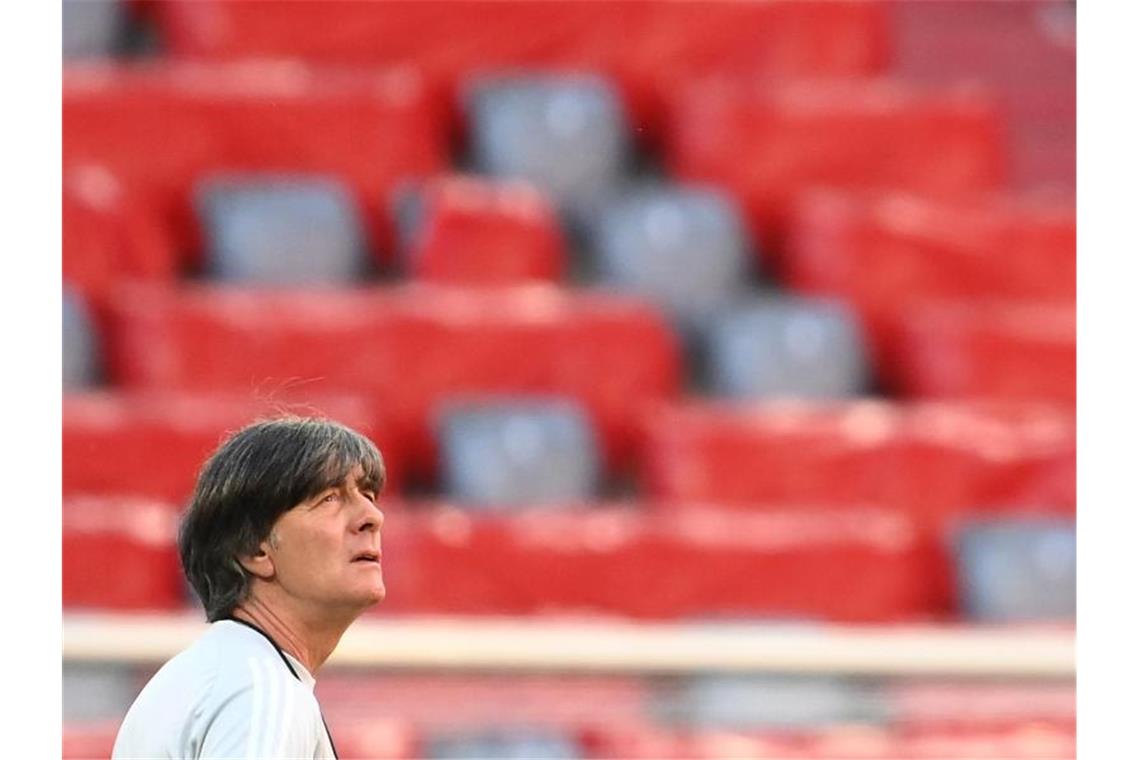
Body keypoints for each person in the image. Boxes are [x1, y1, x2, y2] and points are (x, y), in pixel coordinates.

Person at [112, 416, 387, 759]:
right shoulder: (261, 690)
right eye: (329, 498)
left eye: (368, 494)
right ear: (254, 549)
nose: (373, 516)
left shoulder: (217, 674)